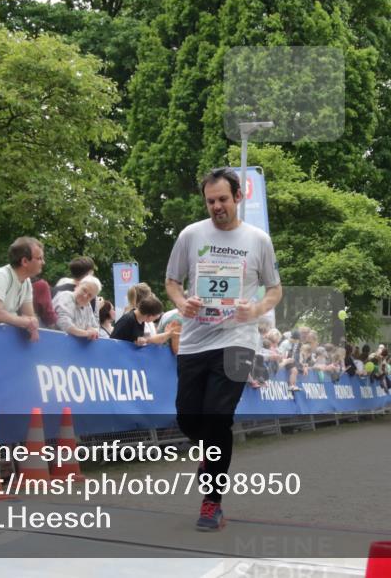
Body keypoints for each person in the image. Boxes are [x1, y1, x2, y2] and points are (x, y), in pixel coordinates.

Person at [165, 167, 282, 531]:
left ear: (238, 198)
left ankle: (211, 503)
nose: (216, 206)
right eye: (210, 201)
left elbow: (275, 290)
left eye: (222, 200)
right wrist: (182, 302)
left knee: (217, 418)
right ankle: (210, 456)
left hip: (238, 340)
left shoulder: (258, 239)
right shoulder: (190, 235)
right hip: (196, 339)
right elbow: (172, 281)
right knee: (187, 416)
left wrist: (257, 309)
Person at [0, 236, 43, 341]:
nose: (43, 262)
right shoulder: (1, 275)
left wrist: (33, 326)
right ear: (25, 261)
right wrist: (27, 322)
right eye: (40, 258)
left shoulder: (26, 281)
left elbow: (29, 315)